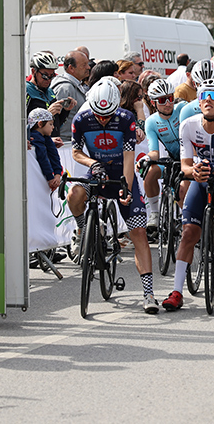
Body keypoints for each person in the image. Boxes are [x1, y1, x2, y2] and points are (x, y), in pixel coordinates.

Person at [70, 79, 158, 314]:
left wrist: (126, 190)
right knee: (74, 193)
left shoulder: (125, 119)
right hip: (97, 173)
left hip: (121, 175)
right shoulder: (81, 120)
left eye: (108, 115)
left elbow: (129, 159)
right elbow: (76, 152)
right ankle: (83, 231)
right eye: (98, 115)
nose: (102, 120)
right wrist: (93, 163)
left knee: (138, 231)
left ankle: (149, 293)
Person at [163, 79, 214, 312]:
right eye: (203, 97)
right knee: (189, 233)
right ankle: (177, 291)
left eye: (213, 96)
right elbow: (185, 166)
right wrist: (196, 172)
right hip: (201, 176)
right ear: (198, 102)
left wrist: (212, 170)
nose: (207, 100)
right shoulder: (188, 125)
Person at [142, 79, 189, 228]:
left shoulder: (182, 108)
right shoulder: (151, 122)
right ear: (153, 102)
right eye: (162, 100)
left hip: (190, 159)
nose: (168, 103)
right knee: (150, 171)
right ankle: (155, 214)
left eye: (170, 98)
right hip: (174, 160)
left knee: (183, 190)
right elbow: (154, 152)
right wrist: (146, 158)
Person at [50, 49, 91, 143]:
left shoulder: (75, 85)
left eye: (87, 64)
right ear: (71, 68)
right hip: (65, 144)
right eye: (84, 65)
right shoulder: (65, 88)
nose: (88, 67)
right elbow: (57, 119)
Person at [27, 51, 71, 137]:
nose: (48, 80)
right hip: (36, 145)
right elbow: (23, 125)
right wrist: (47, 114)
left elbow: (57, 124)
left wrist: (66, 111)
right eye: (45, 75)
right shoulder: (27, 91)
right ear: (33, 71)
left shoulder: (50, 91)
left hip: (52, 142)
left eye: (52, 76)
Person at [28, 108, 63, 192]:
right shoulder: (35, 138)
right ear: (40, 124)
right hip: (37, 182)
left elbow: (54, 155)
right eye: (50, 124)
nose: (53, 127)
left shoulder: (46, 138)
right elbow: (42, 157)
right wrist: (50, 177)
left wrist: (57, 174)